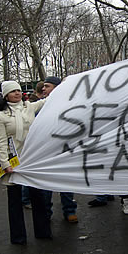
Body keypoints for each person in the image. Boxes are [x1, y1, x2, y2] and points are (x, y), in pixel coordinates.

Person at [0, 81, 52, 245]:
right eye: (13, 91)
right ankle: (18, 237)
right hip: (13, 161)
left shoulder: (29, 107)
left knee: (38, 196)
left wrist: (65, 85)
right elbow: (1, 142)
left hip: (31, 159)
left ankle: (43, 231)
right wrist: (5, 164)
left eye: (19, 90)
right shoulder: (1, 116)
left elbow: (47, 101)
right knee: (15, 200)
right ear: (6, 95)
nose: (17, 93)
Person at [41, 76, 78, 223]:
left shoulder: (69, 105)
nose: (43, 89)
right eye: (43, 86)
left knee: (66, 181)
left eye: (47, 86)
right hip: (45, 152)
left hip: (65, 149)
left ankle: (69, 211)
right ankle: (46, 213)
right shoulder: (38, 105)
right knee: (45, 185)